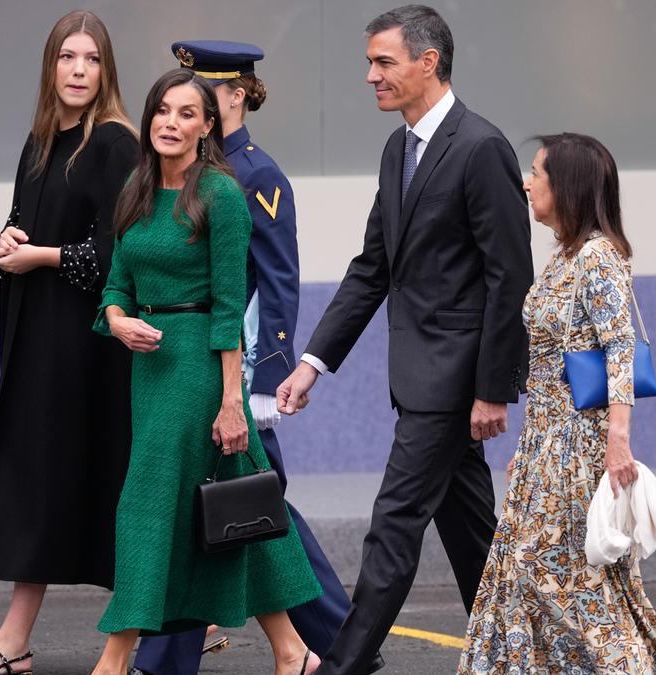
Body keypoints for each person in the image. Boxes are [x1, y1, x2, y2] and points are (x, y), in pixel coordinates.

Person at [276, 5, 533, 673]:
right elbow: (373, 268)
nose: (370, 76)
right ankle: (523, 654)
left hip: (451, 385)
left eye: (383, 62)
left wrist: (492, 389)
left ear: (429, 62)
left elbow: (511, 278)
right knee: (476, 535)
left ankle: (344, 663)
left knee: (392, 527)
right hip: (417, 378)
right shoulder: (400, 148)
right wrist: (313, 361)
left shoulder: (481, 148)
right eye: (369, 62)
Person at [130, 41, 371, 675]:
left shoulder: (255, 174)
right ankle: (334, 643)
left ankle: (331, 643)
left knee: (251, 507)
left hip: (237, 369)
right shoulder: (179, 169)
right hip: (187, 368)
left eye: (204, 94)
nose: (186, 109)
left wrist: (266, 377)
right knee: (246, 507)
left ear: (235, 97)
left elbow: (276, 279)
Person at [90, 68, 323, 675]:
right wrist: (116, 319)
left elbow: (227, 306)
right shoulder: (135, 189)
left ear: (208, 127)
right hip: (150, 369)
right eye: (162, 111)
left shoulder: (220, 194)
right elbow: (115, 285)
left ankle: (113, 660)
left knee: (146, 505)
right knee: (220, 514)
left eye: (186, 113)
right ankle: (293, 651)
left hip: (199, 369)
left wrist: (231, 402)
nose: (170, 123)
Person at [0, 10, 138, 675]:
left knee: (79, 485)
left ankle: (18, 636)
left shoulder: (114, 142)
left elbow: (119, 253)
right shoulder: (39, 142)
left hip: (89, 351)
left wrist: (43, 257)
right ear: (50, 66)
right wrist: (1, 248)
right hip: (36, 343)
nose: (79, 70)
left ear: (105, 69)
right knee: (44, 485)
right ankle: (21, 640)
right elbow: (19, 229)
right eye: (68, 57)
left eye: (91, 59)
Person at [458, 133, 656, 673]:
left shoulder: (597, 257)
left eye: (537, 172)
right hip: (545, 446)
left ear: (568, 186)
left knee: (563, 576)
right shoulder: (563, 255)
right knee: (526, 571)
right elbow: (548, 366)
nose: (526, 181)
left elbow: (620, 347)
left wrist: (618, 440)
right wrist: (529, 445)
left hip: (578, 449)